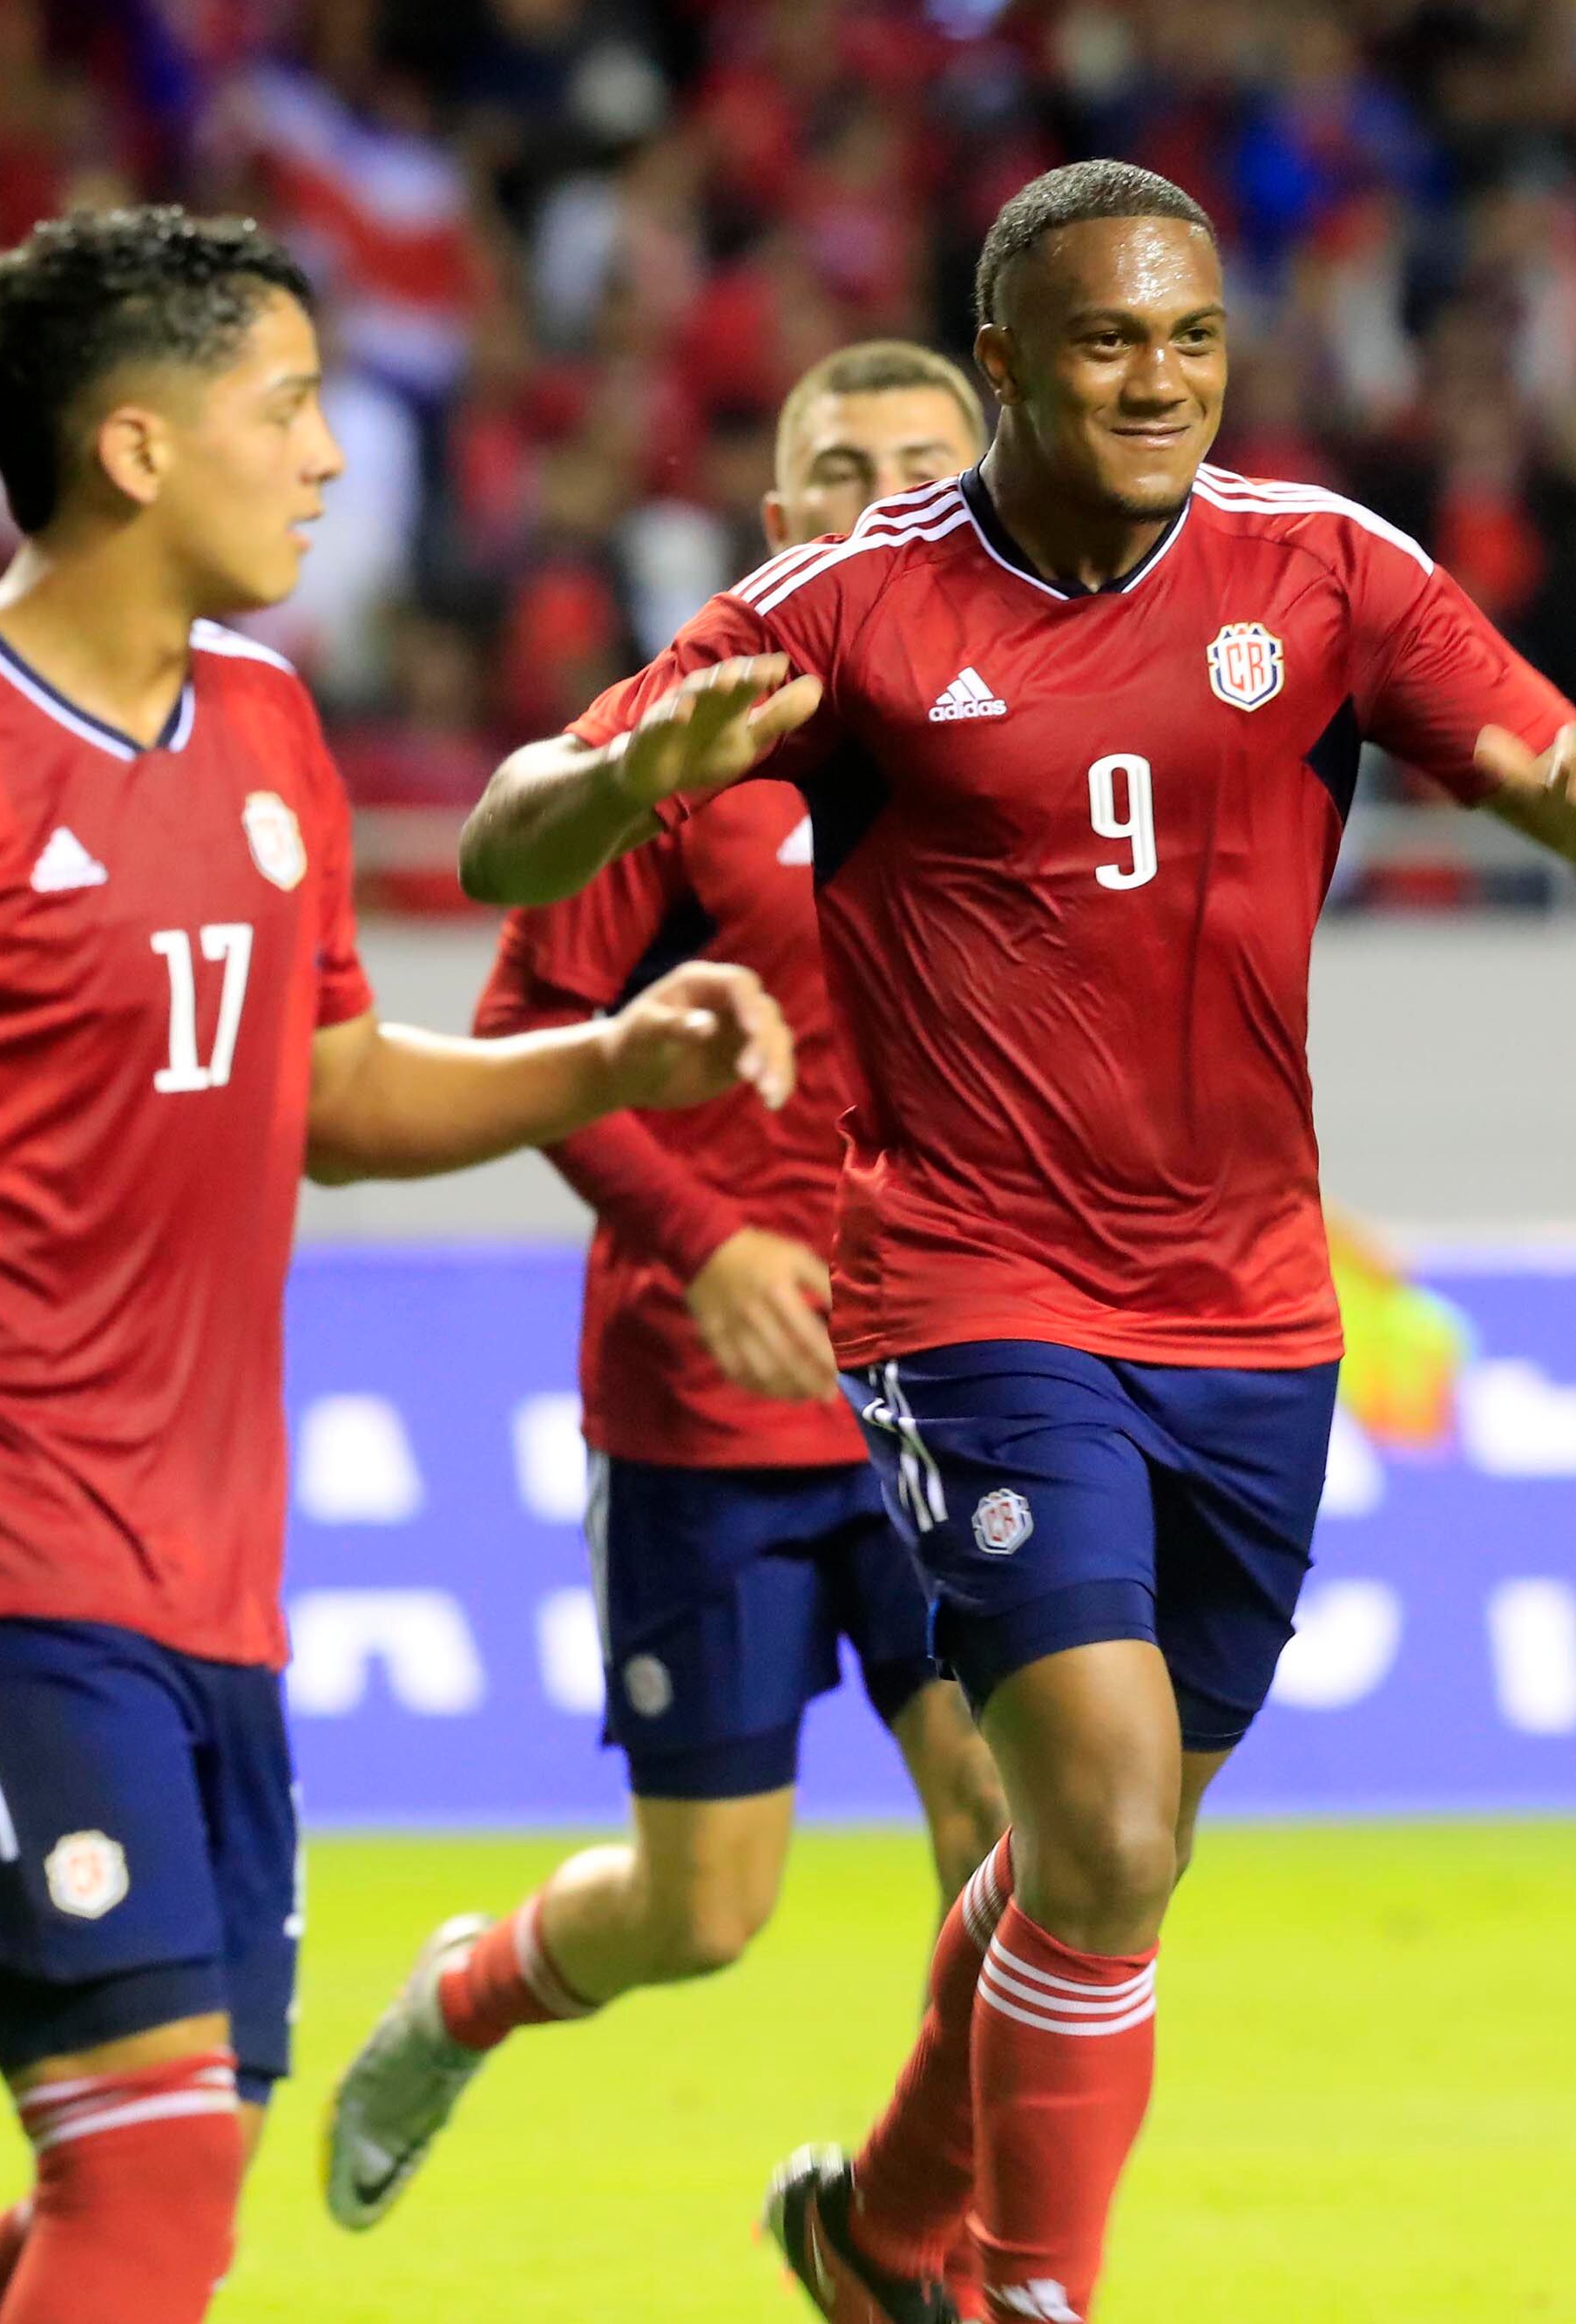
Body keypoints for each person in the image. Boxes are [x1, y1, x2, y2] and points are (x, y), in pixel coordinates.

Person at [459, 161, 1576, 2323]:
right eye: (1108, 340)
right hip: (972, 1289)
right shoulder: (848, 604)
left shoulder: (1322, 568)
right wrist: (629, 771)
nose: (1158, 380)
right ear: (1005, 362)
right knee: (1106, 1832)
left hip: (1253, 1309)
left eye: (1191, 338)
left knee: (1096, 1860)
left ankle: (874, 2227)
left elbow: (1561, 781)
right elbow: (505, 844)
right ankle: (1030, 2293)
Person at [0, 206, 796, 2324]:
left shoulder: (264, 722)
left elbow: (332, 1091)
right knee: (150, 2171)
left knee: (144, 2183)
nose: (330, 457)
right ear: (138, 448)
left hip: (210, 1576)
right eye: (290, 406)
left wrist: (605, 1057)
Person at [320, 341, 1011, 2236]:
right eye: (841, 467)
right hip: (707, 1405)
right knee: (703, 1906)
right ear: (779, 518)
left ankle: (929, 2235)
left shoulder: (1038, 730)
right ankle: (471, 1992)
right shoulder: (690, 738)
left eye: (925, 461)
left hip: (954, 1381)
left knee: (1016, 1833)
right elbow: (522, 1030)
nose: (884, 493)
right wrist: (705, 1244)